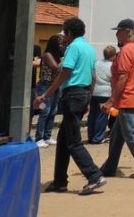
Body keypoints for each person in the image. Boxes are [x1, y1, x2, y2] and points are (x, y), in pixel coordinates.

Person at [35, 17, 106, 195]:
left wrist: (45, 95)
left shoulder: (73, 47)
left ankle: (94, 175)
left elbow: (64, 73)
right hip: (82, 94)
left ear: (70, 33)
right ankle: (59, 182)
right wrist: (87, 100)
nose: (63, 36)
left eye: (64, 32)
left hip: (73, 95)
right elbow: (92, 76)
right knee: (64, 141)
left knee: (74, 142)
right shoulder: (88, 48)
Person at [99, 18, 134, 178]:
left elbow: (123, 77)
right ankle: (109, 167)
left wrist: (111, 101)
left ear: (126, 32)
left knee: (131, 132)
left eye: (118, 31)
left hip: (126, 97)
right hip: (133, 95)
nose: (116, 34)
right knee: (117, 135)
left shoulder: (126, 51)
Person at [34, 34, 64, 148]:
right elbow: (56, 68)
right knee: (45, 111)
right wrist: (66, 61)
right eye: (60, 44)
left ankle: (47, 136)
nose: (62, 46)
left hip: (55, 86)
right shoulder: (47, 55)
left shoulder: (58, 56)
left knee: (53, 111)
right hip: (45, 86)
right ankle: (39, 137)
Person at [87, 45, 116, 144]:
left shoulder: (97, 63)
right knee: (102, 116)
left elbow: (93, 76)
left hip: (94, 91)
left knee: (92, 115)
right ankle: (98, 137)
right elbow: (113, 80)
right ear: (113, 55)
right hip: (105, 92)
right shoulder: (112, 66)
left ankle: (91, 136)